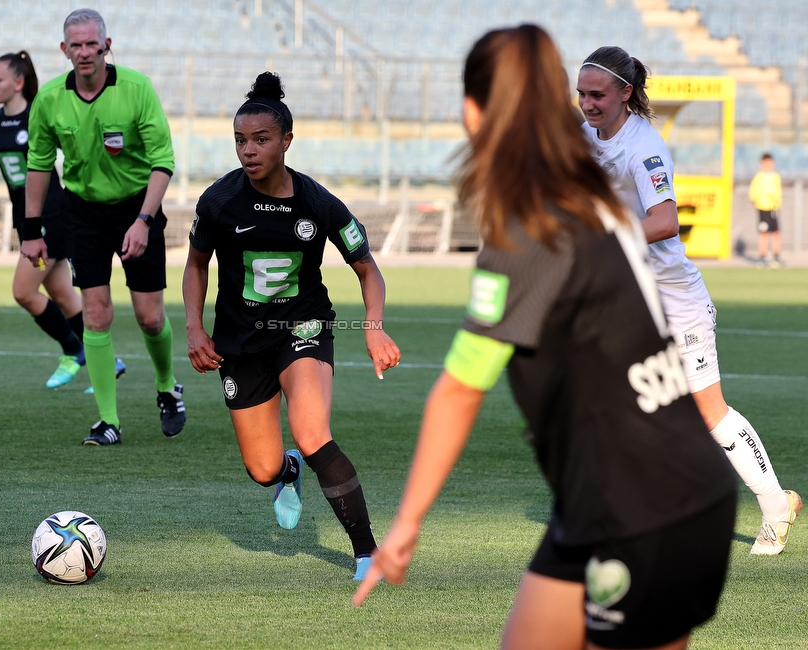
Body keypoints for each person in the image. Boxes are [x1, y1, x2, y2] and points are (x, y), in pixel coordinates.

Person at [353, 25, 737, 650]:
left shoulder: (533, 230)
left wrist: (405, 526)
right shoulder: (583, 199)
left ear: (474, 110)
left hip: (644, 505)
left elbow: (458, 391)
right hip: (636, 494)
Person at [577, 45, 801, 555]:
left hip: (676, 302)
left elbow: (665, 222)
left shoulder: (645, 148)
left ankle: (774, 506)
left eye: (597, 95)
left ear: (625, 93)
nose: (586, 105)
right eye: (581, 94)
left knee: (708, 413)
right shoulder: (583, 134)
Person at [182, 72, 401, 580]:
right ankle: (287, 473)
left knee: (311, 432)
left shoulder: (318, 204)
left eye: (260, 140)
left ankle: (367, 552)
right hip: (240, 340)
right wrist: (194, 328)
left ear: (286, 141)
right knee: (262, 469)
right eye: (240, 140)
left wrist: (373, 326)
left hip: (302, 326)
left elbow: (368, 269)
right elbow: (195, 265)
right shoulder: (218, 202)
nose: (248, 151)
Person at [22, 8, 184, 445]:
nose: (85, 52)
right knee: (96, 314)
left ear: (106, 46)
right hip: (83, 212)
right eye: (76, 45)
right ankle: (108, 420)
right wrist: (30, 228)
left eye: (93, 43)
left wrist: (144, 221)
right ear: (64, 50)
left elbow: (163, 162)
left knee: (150, 318)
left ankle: (168, 387)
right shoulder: (51, 98)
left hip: (137, 207)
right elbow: (38, 164)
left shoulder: (136, 89)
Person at [0, 51, 99, 390]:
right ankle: (108, 360)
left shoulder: (38, 115)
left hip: (51, 217)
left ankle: (73, 350)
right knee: (64, 296)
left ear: (18, 82)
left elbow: (75, 148)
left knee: (23, 291)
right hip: (25, 222)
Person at [749, 152, 783, 267]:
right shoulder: (759, 177)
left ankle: (776, 257)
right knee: (764, 233)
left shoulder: (776, 177)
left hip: (774, 209)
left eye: (770, 163)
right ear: (761, 164)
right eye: (766, 163)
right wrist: (756, 201)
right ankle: (762, 256)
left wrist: (777, 203)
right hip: (763, 208)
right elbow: (753, 192)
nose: (769, 166)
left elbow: (777, 192)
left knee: (776, 233)